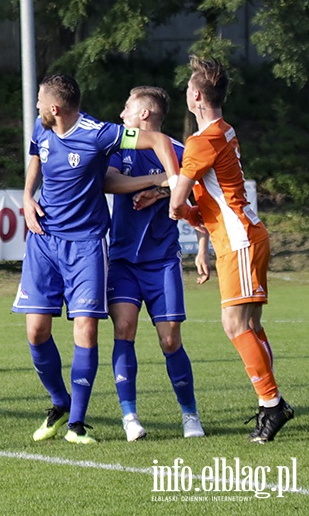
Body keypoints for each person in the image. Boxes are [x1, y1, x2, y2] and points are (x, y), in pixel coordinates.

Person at [12, 74, 180, 444]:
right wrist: (26, 197)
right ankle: (59, 402)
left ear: (55, 108)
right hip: (43, 241)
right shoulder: (41, 130)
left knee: (86, 329)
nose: (36, 106)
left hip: (86, 245)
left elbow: (159, 139)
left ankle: (76, 423)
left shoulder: (100, 133)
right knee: (36, 330)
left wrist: (172, 181)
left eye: (40, 101)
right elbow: (36, 162)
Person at [170, 56, 294, 443]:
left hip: (238, 240)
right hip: (247, 234)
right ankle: (270, 404)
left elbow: (177, 203)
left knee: (234, 325)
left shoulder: (200, 141)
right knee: (250, 326)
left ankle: (272, 405)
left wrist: (177, 205)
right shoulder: (224, 130)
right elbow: (206, 197)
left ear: (195, 95)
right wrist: (197, 220)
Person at [105, 86, 207, 441]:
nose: (122, 115)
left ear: (144, 115)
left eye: (127, 108)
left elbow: (197, 196)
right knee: (125, 330)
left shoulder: (180, 153)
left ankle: (190, 415)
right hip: (123, 261)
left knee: (170, 340)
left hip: (162, 260)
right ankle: (130, 417)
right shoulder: (121, 147)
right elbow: (109, 181)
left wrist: (166, 191)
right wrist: (156, 180)